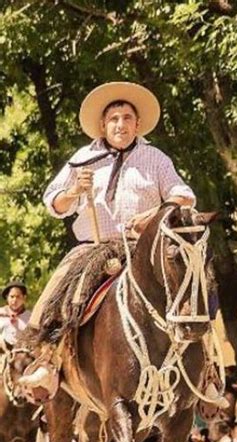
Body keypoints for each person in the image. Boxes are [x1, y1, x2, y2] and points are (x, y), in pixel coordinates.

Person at [20, 81, 196, 392]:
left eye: (127, 118)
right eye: (114, 118)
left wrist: (155, 215)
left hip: (145, 250)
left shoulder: (155, 157)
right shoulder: (83, 157)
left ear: (137, 124)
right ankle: (46, 360)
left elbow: (185, 196)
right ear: (103, 124)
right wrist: (75, 190)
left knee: (192, 287)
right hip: (95, 248)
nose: (120, 124)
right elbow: (53, 203)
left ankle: (205, 370)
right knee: (59, 291)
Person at [0, 281, 31, 350]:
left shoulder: (30, 317)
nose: (15, 300)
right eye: (12, 296)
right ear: (7, 297)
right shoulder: (1, 313)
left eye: (18, 297)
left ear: (24, 298)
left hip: (22, 354)